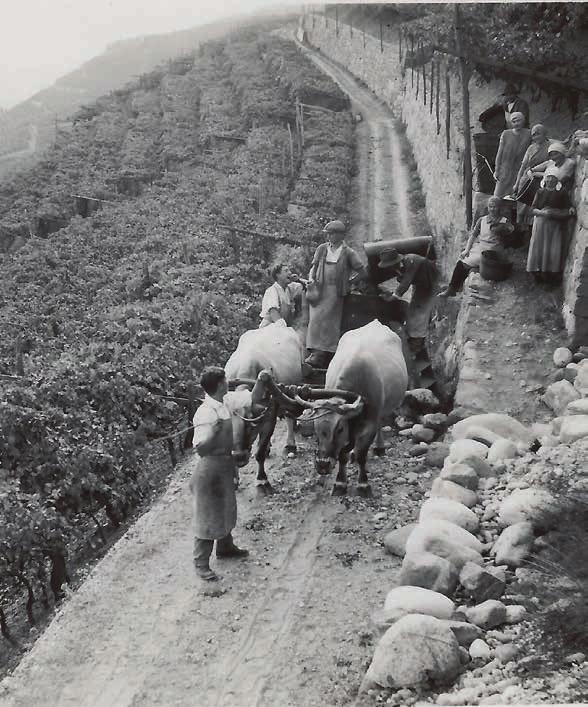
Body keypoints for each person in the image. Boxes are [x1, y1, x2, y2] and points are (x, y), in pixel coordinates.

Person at [191, 366, 248, 587]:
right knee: (207, 516)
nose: (228, 381)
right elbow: (201, 449)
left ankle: (225, 547)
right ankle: (201, 564)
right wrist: (213, 434)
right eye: (225, 379)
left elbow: (247, 397)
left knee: (225, 508)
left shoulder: (224, 403)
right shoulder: (205, 413)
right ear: (219, 384)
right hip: (209, 469)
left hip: (224, 463)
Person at [305, 220, 366, 369]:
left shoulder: (348, 252)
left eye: (331, 234)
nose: (328, 237)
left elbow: (362, 272)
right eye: (328, 234)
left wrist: (350, 282)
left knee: (330, 322)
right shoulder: (322, 249)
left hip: (336, 292)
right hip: (319, 289)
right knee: (315, 320)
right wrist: (311, 279)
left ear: (340, 235)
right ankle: (314, 353)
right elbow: (313, 268)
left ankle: (326, 353)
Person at [439, 196, 514, 297]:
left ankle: (451, 289)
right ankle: (456, 286)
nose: (492, 209)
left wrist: (505, 230)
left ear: (499, 208)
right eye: (490, 206)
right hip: (481, 247)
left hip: (492, 252)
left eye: (495, 206)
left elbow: (511, 231)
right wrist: (467, 249)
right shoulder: (482, 220)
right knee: (462, 256)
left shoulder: (504, 221)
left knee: (462, 264)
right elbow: (473, 235)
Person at [377, 249, 438, 351]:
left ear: (395, 262)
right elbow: (403, 279)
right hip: (421, 284)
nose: (389, 268)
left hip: (431, 282)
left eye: (389, 265)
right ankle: (413, 334)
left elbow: (406, 282)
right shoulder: (399, 266)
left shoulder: (411, 260)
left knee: (421, 312)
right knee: (413, 309)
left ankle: (418, 341)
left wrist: (393, 297)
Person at [526, 166, 575, 285]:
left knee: (551, 248)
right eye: (548, 177)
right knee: (539, 247)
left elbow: (568, 207)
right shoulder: (540, 192)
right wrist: (542, 212)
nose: (550, 180)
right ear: (545, 179)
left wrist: (570, 209)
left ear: (557, 179)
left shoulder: (561, 193)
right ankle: (536, 272)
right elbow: (532, 210)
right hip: (540, 224)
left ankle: (549, 274)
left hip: (553, 226)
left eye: (553, 178)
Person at [513, 124, 551, 236]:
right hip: (526, 179)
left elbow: (552, 165)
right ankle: (520, 235)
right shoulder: (531, 148)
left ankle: (532, 234)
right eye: (533, 135)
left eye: (537, 134)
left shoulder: (550, 146)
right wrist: (517, 183)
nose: (535, 137)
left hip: (540, 180)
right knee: (522, 207)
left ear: (544, 134)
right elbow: (523, 166)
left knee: (535, 207)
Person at [493, 112, 531, 198]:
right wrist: (497, 169)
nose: (516, 123)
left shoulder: (528, 133)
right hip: (505, 169)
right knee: (498, 196)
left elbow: (542, 139)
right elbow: (499, 153)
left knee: (514, 196)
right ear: (511, 123)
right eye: (514, 121)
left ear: (523, 121)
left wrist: (562, 142)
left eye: (519, 121)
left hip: (519, 170)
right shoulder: (506, 134)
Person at [259, 263, 295, 328]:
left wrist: (298, 279)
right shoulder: (271, 291)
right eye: (286, 271)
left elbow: (306, 285)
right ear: (278, 275)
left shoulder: (289, 289)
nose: (290, 273)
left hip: (282, 326)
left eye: (289, 270)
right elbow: (273, 312)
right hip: (270, 328)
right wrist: (284, 328)